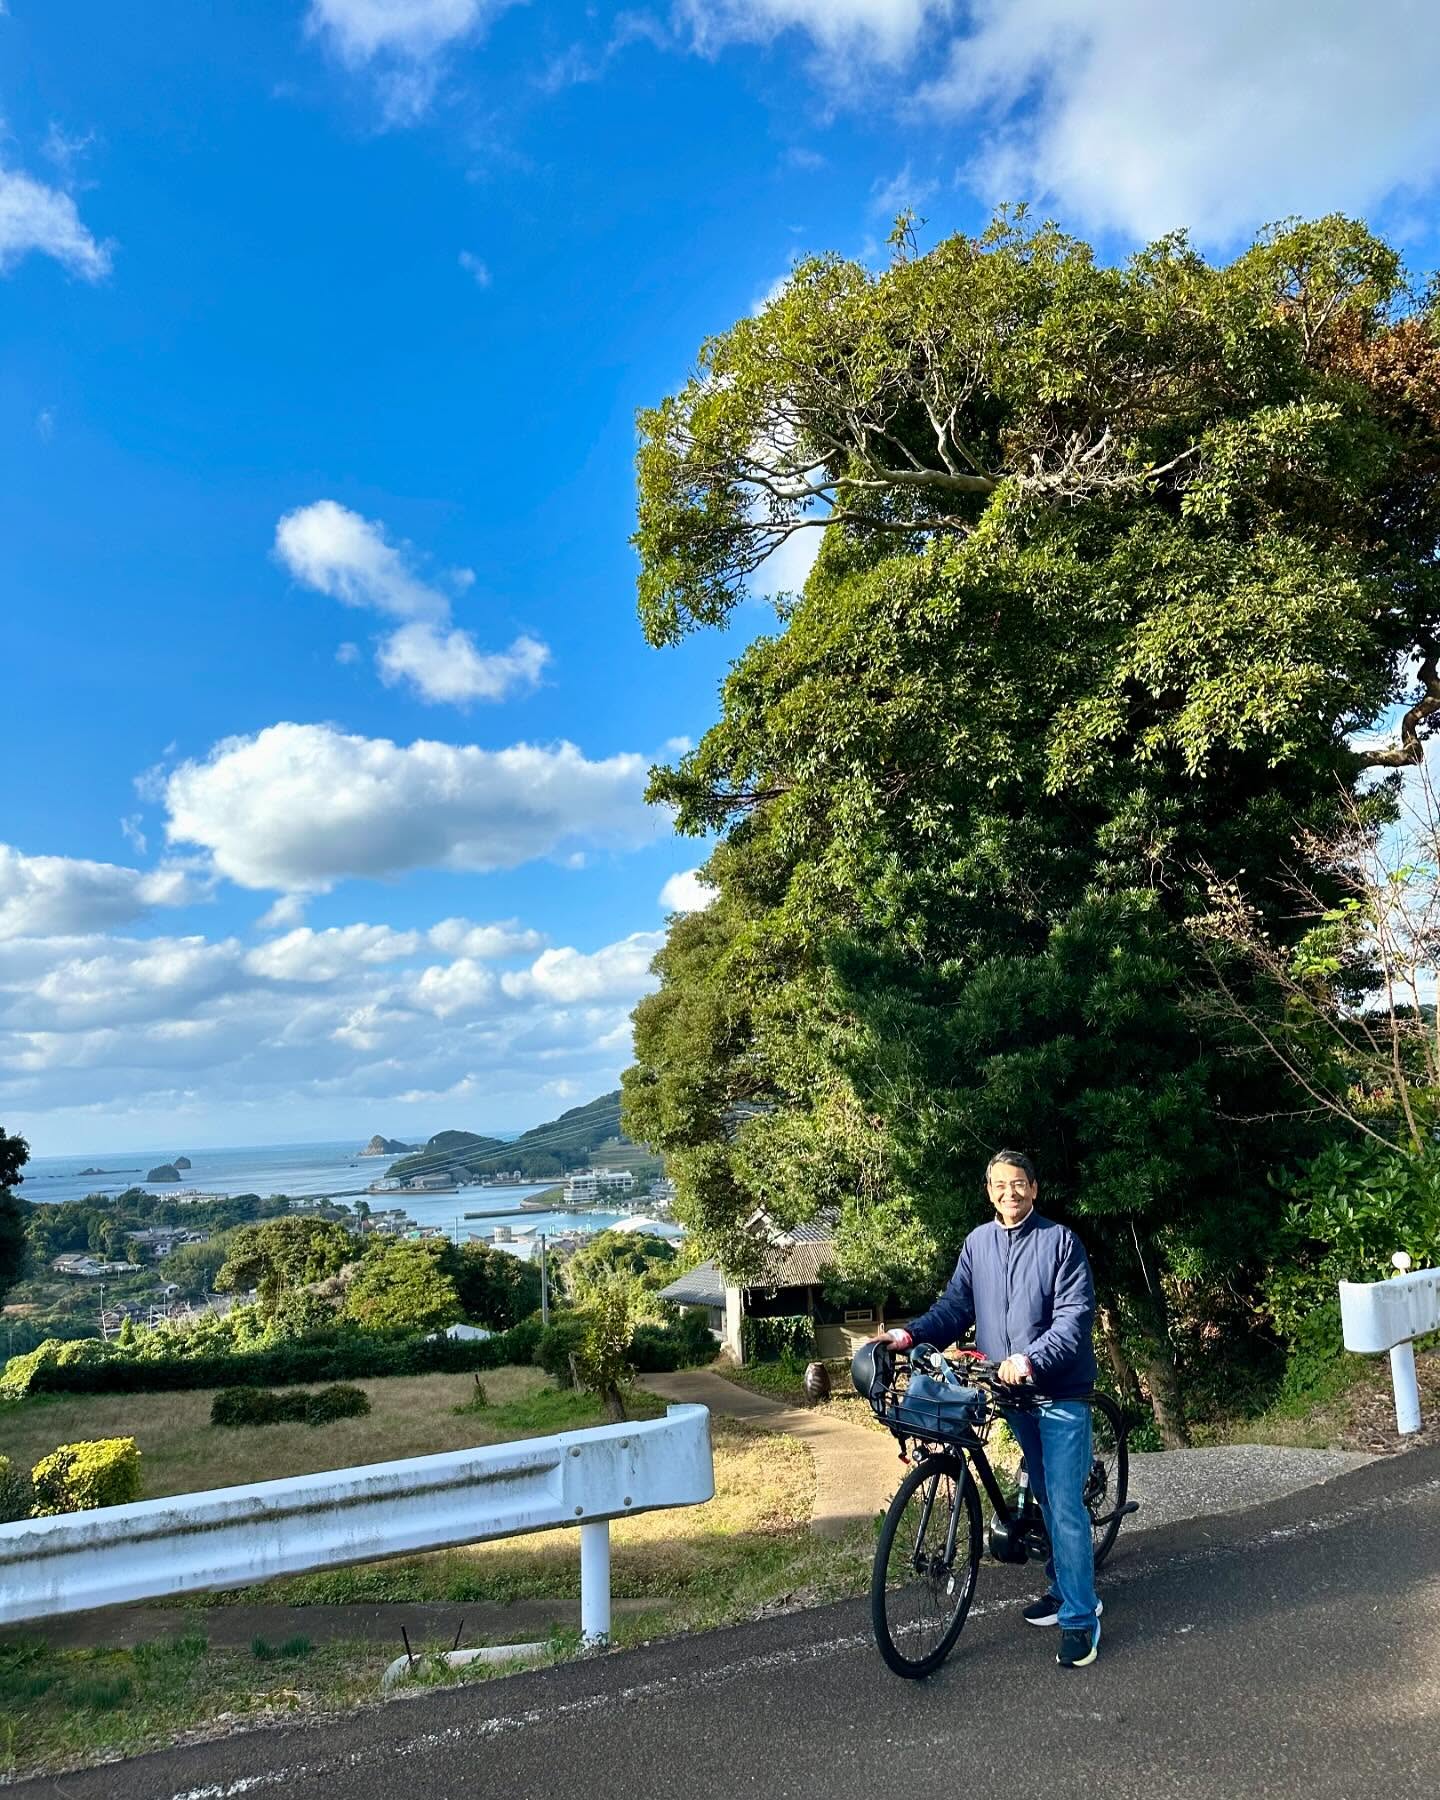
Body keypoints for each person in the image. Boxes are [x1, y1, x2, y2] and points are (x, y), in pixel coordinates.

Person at [880, 1149, 1102, 1668]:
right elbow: (955, 1307)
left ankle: (1080, 1618)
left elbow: (1073, 1319)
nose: (1010, 1193)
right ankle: (1061, 1586)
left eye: (1019, 1183)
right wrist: (908, 1334)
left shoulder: (1060, 1242)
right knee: (1044, 1492)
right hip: (1011, 1391)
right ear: (989, 1192)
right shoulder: (978, 1243)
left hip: (1059, 1390)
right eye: (1000, 1185)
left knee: (1064, 1504)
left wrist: (1030, 1359)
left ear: (1034, 1188)